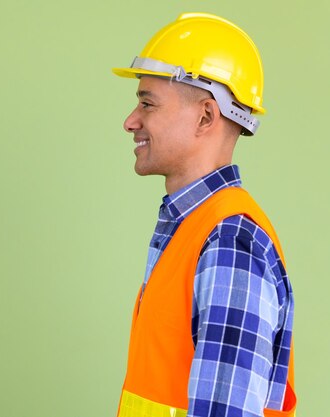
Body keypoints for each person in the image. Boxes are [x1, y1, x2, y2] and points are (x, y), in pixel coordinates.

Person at [112, 13, 296, 417]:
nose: (131, 120)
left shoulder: (229, 241)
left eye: (147, 103)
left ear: (206, 116)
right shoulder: (192, 230)